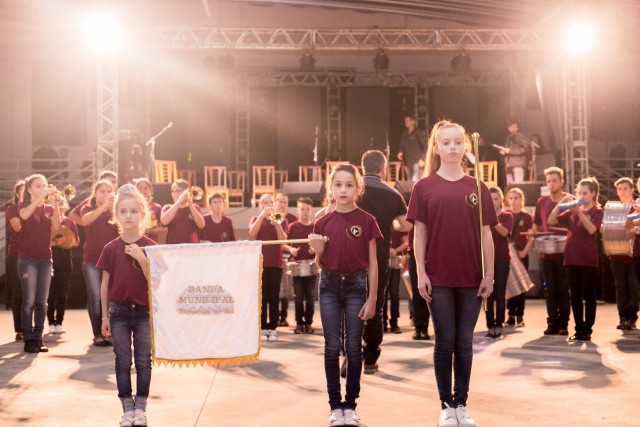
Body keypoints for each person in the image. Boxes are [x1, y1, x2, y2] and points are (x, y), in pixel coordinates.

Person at [406, 120, 496, 427]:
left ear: (466, 146)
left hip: (471, 277)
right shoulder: (423, 187)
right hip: (438, 276)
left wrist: (489, 275)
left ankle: (461, 404)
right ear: (436, 148)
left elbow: (487, 234)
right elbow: (419, 235)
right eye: (446, 142)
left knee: (465, 343)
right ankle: (446, 405)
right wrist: (421, 272)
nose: (453, 147)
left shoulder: (478, 187)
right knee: (445, 342)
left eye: (458, 142)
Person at [308, 163, 380, 427]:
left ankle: (350, 406)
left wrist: (372, 298)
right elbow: (319, 264)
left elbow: (373, 263)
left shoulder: (367, 221)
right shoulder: (322, 222)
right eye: (338, 184)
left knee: (353, 347)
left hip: (356, 286)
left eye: (349, 185)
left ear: (358, 188)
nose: (343, 190)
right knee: (331, 347)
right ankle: (334, 406)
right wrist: (318, 251)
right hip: (328, 285)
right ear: (331, 188)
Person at [98, 184, 156, 427]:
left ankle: (140, 408)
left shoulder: (151, 246)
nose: (128, 215)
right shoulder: (110, 248)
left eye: (133, 211)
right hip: (118, 312)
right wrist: (104, 316)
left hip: (143, 312)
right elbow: (105, 284)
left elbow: (156, 280)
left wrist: (142, 258)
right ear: (116, 216)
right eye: (123, 211)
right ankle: (127, 409)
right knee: (122, 361)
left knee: (143, 361)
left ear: (142, 214)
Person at [358, 150, 412, 374]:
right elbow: (406, 225)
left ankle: (349, 353)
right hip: (379, 255)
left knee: (350, 303)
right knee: (375, 305)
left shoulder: (351, 188)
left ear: (362, 167)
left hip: (352, 253)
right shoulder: (393, 194)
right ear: (384, 169)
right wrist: (392, 223)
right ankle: (370, 360)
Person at [548, 177, 604, 342]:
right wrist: (561, 203)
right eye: (579, 193)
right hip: (571, 258)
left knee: (589, 295)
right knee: (575, 295)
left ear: (593, 193)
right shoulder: (571, 212)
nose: (581, 196)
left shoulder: (597, 211)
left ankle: (587, 329)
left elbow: (592, 230)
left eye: (585, 193)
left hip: (588, 259)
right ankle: (578, 329)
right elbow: (551, 221)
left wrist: (579, 212)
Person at [18, 174, 61, 353]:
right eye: (38, 185)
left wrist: (56, 204)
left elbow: (57, 227)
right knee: (29, 300)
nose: (42, 187)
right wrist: (40, 198)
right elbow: (25, 215)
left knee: (42, 302)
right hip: (27, 259)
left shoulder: (48, 208)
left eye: (44, 185)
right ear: (29, 190)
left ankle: (38, 337)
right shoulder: (23, 206)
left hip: (45, 259)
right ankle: (28, 339)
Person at [533, 167, 571, 336]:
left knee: (563, 288)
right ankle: (552, 322)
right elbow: (536, 223)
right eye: (548, 181)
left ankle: (564, 323)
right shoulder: (541, 201)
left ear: (561, 181)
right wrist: (536, 233)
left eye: (554, 180)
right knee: (549, 289)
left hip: (565, 253)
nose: (551, 184)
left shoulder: (569, 199)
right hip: (546, 253)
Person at [81, 180, 119, 346]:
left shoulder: (115, 210)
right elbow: (85, 221)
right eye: (102, 191)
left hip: (112, 260)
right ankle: (98, 333)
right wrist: (104, 206)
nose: (105, 194)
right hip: (92, 259)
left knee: (111, 298)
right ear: (95, 193)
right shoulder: (87, 207)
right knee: (96, 296)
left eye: (108, 191)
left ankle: (108, 332)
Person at [249, 194, 289, 342]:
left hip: (275, 264)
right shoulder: (256, 218)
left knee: (273, 297)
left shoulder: (282, 219)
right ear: (260, 205)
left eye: (270, 202)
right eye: (265, 203)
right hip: (260, 263)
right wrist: (261, 216)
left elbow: (283, 240)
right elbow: (252, 233)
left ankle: (272, 328)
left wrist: (276, 222)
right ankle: (262, 327)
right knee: (262, 297)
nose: (268, 205)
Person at [609, 178, 639, 330]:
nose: (622, 192)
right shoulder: (613, 208)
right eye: (619, 189)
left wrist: (629, 231)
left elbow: (633, 232)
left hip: (633, 254)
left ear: (632, 190)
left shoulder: (636, 207)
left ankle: (632, 317)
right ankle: (622, 317)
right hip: (616, 253)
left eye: (625, 188)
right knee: (620, 286)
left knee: (633, 286)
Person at [283, 197, 317, 334]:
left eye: (307, 209)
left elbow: (322, 245)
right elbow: (283, 244)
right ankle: (299, 323)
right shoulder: (293, 227)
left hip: (311, 267)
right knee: (298, 298)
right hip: (296, 267)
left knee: (310, 298)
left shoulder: (315, 227)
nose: (305, 212)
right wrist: (291, 250)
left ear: (311, 211)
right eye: (302, 209)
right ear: (297, 210)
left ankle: (308, 323)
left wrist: (315, 250)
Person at [47, 198, 80, 334]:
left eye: (61, 203)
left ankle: (59, 322)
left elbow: (76, 242)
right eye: (56, 203)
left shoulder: (69, 222)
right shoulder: (48, 221)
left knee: (62, 292)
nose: (59, 206)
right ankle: (50, 322)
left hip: (65, 261)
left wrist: (67, 240)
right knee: (50, 293)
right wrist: (55, 242)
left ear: (66, 206)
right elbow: (43, 241)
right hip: (49, 259)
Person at [486, 187, 513, 339]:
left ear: (501, 200)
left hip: (502, 258)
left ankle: (499, 324)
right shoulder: (483, 217)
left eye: (496, 198)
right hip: (486, 258)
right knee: (488, 293)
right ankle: (490, 325)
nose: (493, 201)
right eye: (490, 199)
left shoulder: (507, 216)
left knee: (500, 293)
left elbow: (505, 233)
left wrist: (493, 220)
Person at [505, 188, 534, 327]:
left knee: (521, 286)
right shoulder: (506, 215)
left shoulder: (526, 216)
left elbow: (531, 236)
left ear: (522, 200)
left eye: (516, 198)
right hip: (508, 255)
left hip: (521, 254)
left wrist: (524, 251)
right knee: (510, 284)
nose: (513, 201)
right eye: (511, 198)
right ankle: (510, 315)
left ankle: (520, 315)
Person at [6, 180, 25, 341]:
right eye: (24, 191)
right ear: (18, 194)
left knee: (32, 294)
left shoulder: (39, 209)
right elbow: (17, 227)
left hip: (34, 255)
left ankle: (30, 327)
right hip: (16, 254)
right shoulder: (12, 209)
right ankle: (19, 329)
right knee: (19, 291)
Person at [276, 193, 298, 327]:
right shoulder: (272, 217)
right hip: (275, 257)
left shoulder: (292, 219)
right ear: (275, 203)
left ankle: (283, 316)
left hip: (287, 257)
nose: (283, 205)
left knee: (285, 290)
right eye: (280, 202)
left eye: (285, 202)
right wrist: (287, 247)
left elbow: (291, 241)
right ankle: (273, 316)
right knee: (275, 289)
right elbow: (279, 242)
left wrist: (291, 250)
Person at [160, 179, 205, 244]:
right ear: (172, 194)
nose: (181, 193)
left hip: (192, 247)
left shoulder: (195, 207)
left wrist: (190, 204)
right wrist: (179, 201)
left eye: (182, 191)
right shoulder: (167, 207)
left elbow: (201, 225)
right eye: (177, 191)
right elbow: (164, 222)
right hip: (172, 246)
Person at [384, 230, 408, 333]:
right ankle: (383, 322)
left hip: (395, 261)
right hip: (381, 261)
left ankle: (394, 323)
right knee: (382, 293)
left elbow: (406, 243)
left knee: (394, 293)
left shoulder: (399, 225)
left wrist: (395, 250)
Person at [498, 118, 532, 185]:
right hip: (509, 165)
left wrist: (510, 151)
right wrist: (504, 151)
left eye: (510, 126)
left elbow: (525, 148)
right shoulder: (508, 137)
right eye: (508, 126)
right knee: (509, 185)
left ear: (516, 126)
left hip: (518, 164)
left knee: (518, 185)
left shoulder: (520, 135)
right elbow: (508, 149)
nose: (508, 128)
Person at [134, 178, 166, 243]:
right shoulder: (132, 207)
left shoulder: (157, 207)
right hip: (135, 243)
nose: (143, 191)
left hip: (151, 243)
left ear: (150, 190)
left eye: (146, 188)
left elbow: (164, 230)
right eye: (140, 188)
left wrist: (147, 230)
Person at [397, 115, 427, 182]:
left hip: (417, 161)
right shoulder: (404, 133)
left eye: (407, 120)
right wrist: (400, 151)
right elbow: (401, 144)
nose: (406, 122)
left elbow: (426, 146)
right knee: (409, 181)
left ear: (413, 121)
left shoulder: (418, 132)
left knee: (415, 180)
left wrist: (422, 159)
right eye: (405, 121)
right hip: (408, 161)